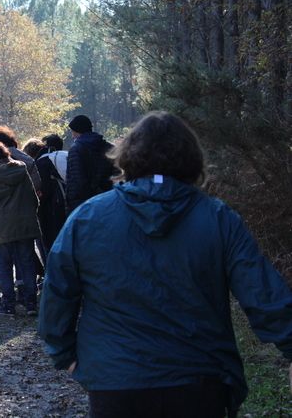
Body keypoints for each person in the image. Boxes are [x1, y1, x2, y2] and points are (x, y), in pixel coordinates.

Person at [38, 112, 292, 417]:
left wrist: (64, 353)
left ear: (128, 157)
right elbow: (263, 294)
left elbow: (58, 293)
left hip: (116, 385)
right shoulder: (217, 218)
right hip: (199, 382)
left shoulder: (88, 217)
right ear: (191, 158)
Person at [0, 140, 41, 316]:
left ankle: (8, 305)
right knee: (27, 264)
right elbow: (34, 197)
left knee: (4, 266)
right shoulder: (21, 167)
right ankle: (31, 304)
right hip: (25, 224)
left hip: (1, 227)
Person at [65, 114, 115, 214]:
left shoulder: (76, 149)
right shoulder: (108, 147)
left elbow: (76, 179)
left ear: (78, 130)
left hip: (82, 203)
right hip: (108, 199)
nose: (72, 135)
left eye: (73, 131)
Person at [35, 133, 68, 253]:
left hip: (50, 208)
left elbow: (42, 187)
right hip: (70, 202)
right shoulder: (67, 156)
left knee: (51, 242)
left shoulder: (43, 161)